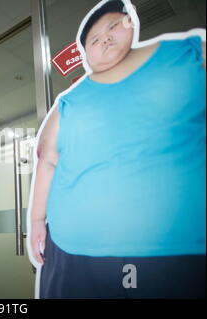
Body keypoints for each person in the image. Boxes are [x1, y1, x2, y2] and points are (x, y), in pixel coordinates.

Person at [29, 0, 206, 298]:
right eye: (94, 40)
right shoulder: (69, 101)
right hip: (73, 255)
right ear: (87, 56)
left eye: (113, 26)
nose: (105, 38)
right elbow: (46, 159)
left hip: (179, 250)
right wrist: (36, 220)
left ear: (131, 23)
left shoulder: (188, 53)